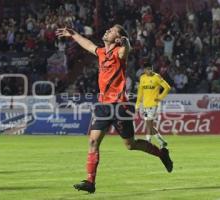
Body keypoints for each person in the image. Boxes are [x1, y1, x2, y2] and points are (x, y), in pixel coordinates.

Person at [56, 25, 173, 194]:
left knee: (130, 145)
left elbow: (126, 49)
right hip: (103, 105)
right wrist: (73, 34)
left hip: (120, 106)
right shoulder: (102, 52)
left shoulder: (119, 52)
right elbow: (88, 44)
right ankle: (90, 182)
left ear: (118, 38)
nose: (107, 31)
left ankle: (162, 154)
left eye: (111, 31)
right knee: (93, 141)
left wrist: (124, 40)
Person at [135, 62, 171, 147]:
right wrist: (137, 104)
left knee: (148, 124)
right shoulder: (142, 78)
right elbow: (140, 92)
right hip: (145, 105)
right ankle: (162, 141)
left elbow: (167, 87)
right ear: (144, 70)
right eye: (147, 69)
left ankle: (148, 142)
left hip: (153, 104)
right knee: (149, 125)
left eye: (151, 69)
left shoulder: (157, 77)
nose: (149, 71)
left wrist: (160, 97)